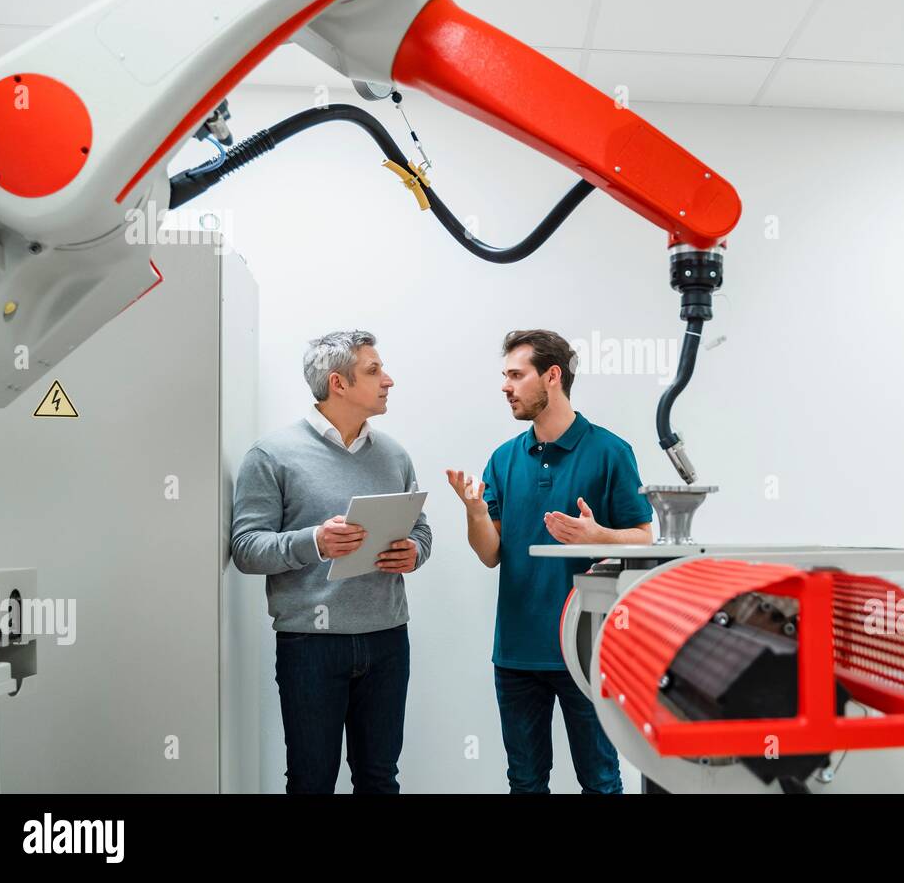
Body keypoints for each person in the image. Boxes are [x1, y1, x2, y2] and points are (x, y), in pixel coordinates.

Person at [447, 328, 652, 793]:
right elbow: (490, 554)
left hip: (589, 651)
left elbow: (644, 538)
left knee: (600, 781)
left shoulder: (610, 452)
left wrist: (597, 535)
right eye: (505, 376)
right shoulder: (503, 458)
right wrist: (476, 513)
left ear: (552, 376)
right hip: (517, 654)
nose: (506, 387)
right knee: (525, 781)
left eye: (516, 375)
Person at [230, 329, 431, 794]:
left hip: (386, 640)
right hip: (310, 646)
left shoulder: (394, 455)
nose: (389, 381)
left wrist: (414, 551)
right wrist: (316, 541)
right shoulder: (271, 455)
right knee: (311, 780)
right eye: (374, 370)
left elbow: (420, 528)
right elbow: (246, 548)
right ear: (338, 383)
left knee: (380, 779)